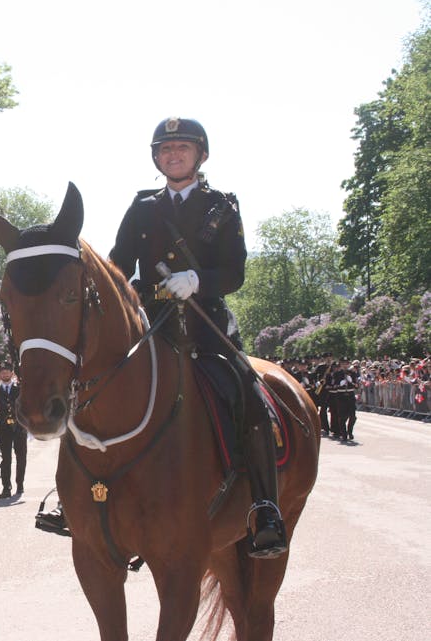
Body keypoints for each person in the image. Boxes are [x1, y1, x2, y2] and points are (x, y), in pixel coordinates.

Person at [109, 117, 287, 559]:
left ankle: (265, 506)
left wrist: (197, 280)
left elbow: (235, 272)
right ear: (156, 158)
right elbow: (118, 264)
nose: (173, 155)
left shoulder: (221, 207)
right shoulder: (142, 208)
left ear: (200, 155)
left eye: (182, 148)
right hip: (151, 325)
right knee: (100, 385)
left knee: (249, 395)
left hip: (206, 325)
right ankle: (80, 496)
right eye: (165, 149)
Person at [0, 362, 25, 499]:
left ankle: (20, 483)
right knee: (6, 459)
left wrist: (29, 425)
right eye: (2, 372)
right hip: (4, 428)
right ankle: (6, 487)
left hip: (19, 427)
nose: (5, 374)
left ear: (12, 373)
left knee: (21, 457)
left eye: (7, 372)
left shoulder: (20, 389)